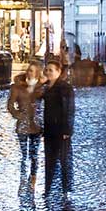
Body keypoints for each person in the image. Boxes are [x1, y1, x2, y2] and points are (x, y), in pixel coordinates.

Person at [40, 60, 74, 198]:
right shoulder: (46, 87)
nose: (47, 72)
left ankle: (66, 190)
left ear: (58, 72)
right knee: (49, 160)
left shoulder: (65, 87)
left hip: (61, 130)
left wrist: (67, 130)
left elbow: (69, 109)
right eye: (46, 70)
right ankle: (48, 189)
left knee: (64, 160)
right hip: (49, 129)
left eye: (51, 70)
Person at [6, 63, 43, 184]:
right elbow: (10, 105)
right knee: (23, 154)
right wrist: (18, 115)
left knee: (34, 154)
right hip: (22, 125)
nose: (29, 72)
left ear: (37, 72)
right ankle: (22, 176)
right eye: (28, 70)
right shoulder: (16, 87)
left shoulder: (41, 87)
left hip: (36, 126)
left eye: (32, 71)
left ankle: (33, 176)